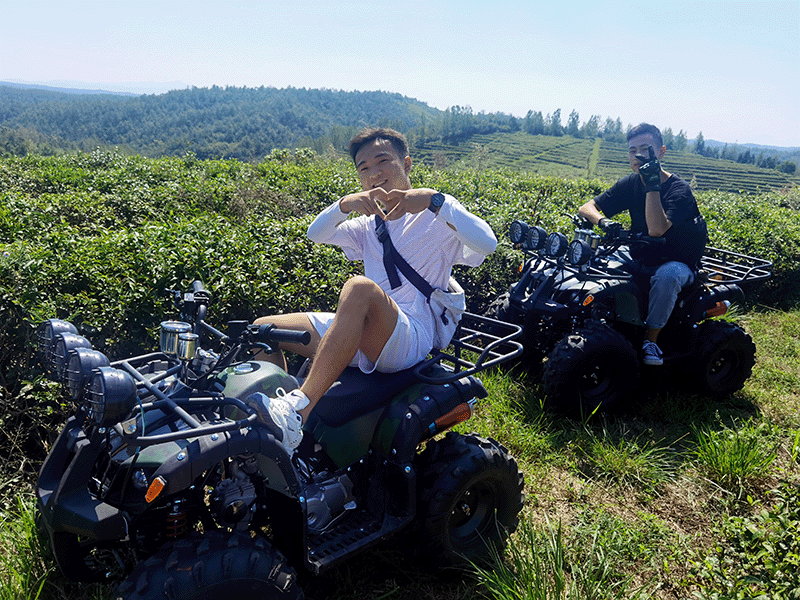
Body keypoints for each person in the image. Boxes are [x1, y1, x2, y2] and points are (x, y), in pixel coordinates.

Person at [248, 127, 497, 453]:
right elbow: (315, 233)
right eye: (363, 167)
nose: (374, 173)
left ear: (406, 164)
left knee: (359, 288)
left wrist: (435, 200)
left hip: (411, 334)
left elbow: (487, 243)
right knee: (262, 330)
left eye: (383, 161)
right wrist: (344, 205)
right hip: (368, 328)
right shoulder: (369, 224)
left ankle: (297, 412)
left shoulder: (437, 218)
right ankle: (278, 430)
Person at [578, 123, 707, 366]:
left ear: (661, 152)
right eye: (632, 150)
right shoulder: (630, 183)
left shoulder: (679, 190)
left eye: (646, 149)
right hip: (639, 253)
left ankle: (651, 339)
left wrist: (652, 186)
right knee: (595, 259)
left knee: (668, 276)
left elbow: (657, 230)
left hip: (676, 261)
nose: (638, 156)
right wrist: (604, 222)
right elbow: (587, 207)